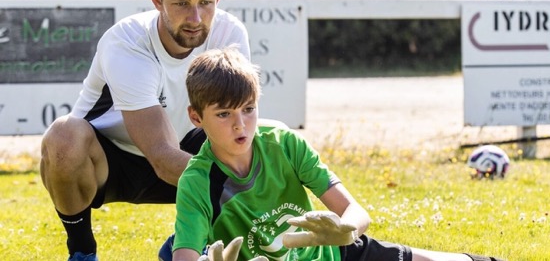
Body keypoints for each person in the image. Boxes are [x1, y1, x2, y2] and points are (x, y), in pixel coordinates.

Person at [166, 47, 505, 261]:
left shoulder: (283, 142)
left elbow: (355, 211)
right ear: (197, 118)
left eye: (249, 109)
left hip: (337, 253)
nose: (241, 125)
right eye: (224, 115)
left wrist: (345, 230)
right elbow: (184, 256)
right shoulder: (197, 181)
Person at [38, 0, 279, 260]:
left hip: (186, 150)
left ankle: (188, 242)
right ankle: (82, 250)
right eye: (182, 3)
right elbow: (162, 156)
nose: (196, 18)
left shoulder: (229, 32)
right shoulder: (127, 41)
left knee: (259, 136)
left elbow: (236, 122)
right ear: (157, 0)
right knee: (63, 137)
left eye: (205, 2)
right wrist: (245, 191)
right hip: (109, 161)